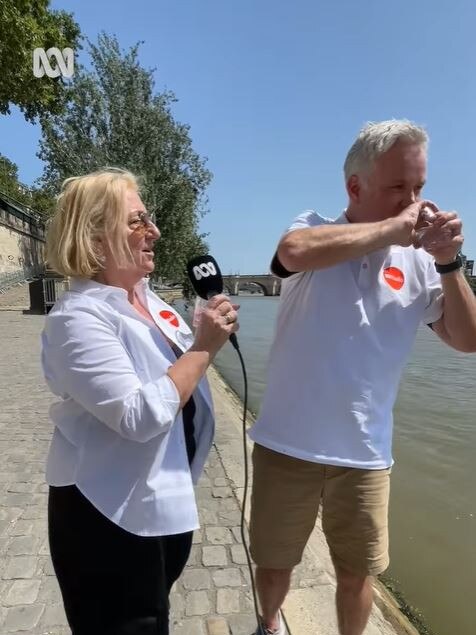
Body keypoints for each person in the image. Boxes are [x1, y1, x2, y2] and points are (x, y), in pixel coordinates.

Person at [248, 120, 476, 635]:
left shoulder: (420, 266)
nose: (415, 201)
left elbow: (466, 340)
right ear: (355, 187)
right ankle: (269, 623)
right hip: (287, 444)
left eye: (419, 187)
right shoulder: (313, 225)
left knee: (358, 574)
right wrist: (393, 231)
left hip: (365, 454)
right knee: (275, 560)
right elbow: (292, 254)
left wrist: (449, 262)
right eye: (400, 187)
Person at [41, 168, 239, 635]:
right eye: (137, 221)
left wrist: (198, 332)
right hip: (107, 519)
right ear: (93, 237)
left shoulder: (148, 300)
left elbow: (177, 384)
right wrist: (204, 347)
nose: (154, 231)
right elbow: (139, 414)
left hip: (158, 505)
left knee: (157, 614)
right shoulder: (77, 318)